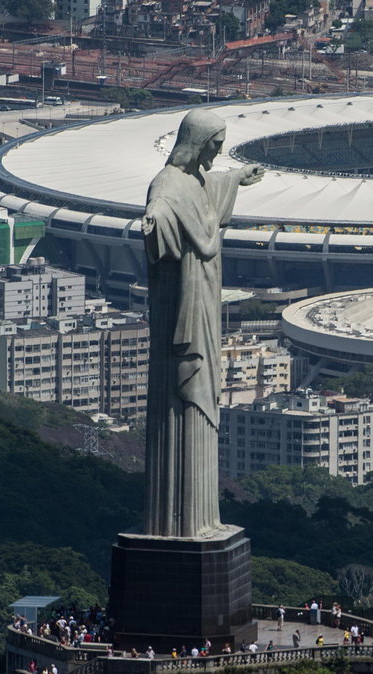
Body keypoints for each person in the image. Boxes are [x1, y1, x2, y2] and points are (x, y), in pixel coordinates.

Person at [141, 107, 264, 538]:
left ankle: (203, 519)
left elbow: (206, 186)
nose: (218, 153)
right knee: (184, 403)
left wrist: (236, 178)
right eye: (215, 145)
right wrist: (154, 221)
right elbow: (162, 205)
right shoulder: (168, 184)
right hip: (185, 306)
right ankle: (180, 523)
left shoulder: (194, 179)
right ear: (197, 142)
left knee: (204, 400)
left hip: (207, 299)